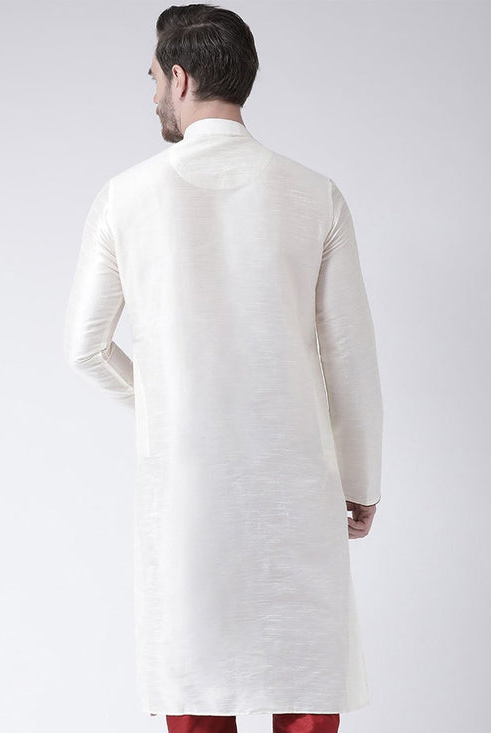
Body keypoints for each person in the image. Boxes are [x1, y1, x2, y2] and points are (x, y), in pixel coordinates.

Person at [63, 4, 383, 733]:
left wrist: (165, 403)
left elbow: (84, 347)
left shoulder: (125, 196)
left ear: (179, 78)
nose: (152, 94)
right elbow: (350, 356)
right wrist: (360, 483)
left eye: (153, 77)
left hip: (186, 487)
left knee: (196, 686)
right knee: (304, 678)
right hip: (296, 486)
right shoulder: (314, 193)